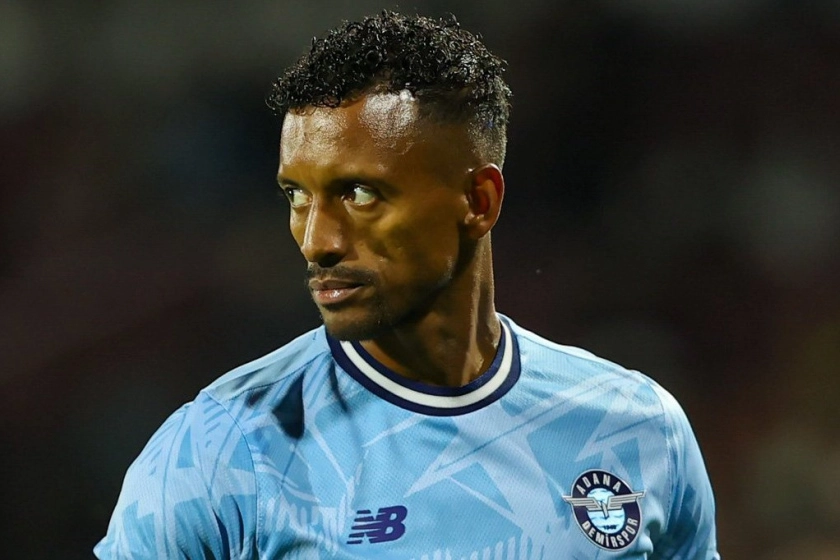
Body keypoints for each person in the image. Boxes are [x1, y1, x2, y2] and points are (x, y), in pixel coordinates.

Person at [95, 11, 720, 559]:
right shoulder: (222, 449)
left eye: (359, 193)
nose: (317, 240)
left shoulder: (635, 426)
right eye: (296, 195)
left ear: (478, 201)